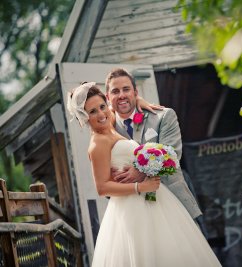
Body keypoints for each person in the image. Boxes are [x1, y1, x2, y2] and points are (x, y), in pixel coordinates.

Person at [66, 83, 221, 267]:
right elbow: (102, 188)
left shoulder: (110, 125)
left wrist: (138, 100)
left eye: (101, 107)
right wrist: (141, 186)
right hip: (132, 208)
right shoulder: (98, 143)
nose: (101, 114)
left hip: (156, 201)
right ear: (84, 118)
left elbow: (117, 106)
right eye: (92, 112)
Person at [105, 68, 202, 220]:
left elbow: (172, 154)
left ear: (136, 93)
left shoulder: (163, 116)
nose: (122, 95)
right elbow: (105, 180)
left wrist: (140, 170)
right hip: (134, 214)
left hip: (174, 206)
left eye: (126, 89)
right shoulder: (106, 131)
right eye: (115, 91)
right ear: (108, 97)